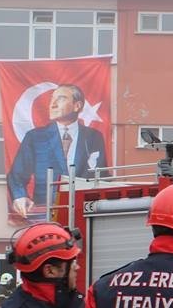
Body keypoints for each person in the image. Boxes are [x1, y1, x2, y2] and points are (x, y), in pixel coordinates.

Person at [8, 84, 110, 217]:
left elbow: (101, 175)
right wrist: (20, 196)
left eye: (60, 98)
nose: (52, 104)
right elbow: (16, 175)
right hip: (46, 213)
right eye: (51, 99)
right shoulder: (35, 137)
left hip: (83, 212)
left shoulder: (93, 137)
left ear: (77, 106)